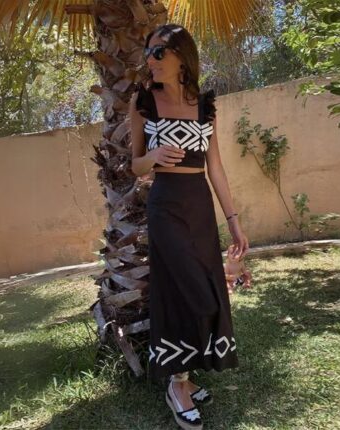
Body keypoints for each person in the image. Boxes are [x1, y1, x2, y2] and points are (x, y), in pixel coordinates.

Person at [129, 23, 249, 430]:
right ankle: (177, 385)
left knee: (205, 288)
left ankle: (184, 375)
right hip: (165, 206)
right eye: (148, 52)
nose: (151, 59)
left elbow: (216, 168)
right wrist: (153, 157)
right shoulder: (144, 101)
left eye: (158, 52)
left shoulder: (204, 106)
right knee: (190, 289)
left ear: (182, 56)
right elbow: (135, 165)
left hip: (199, 207)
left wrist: (233, 222)